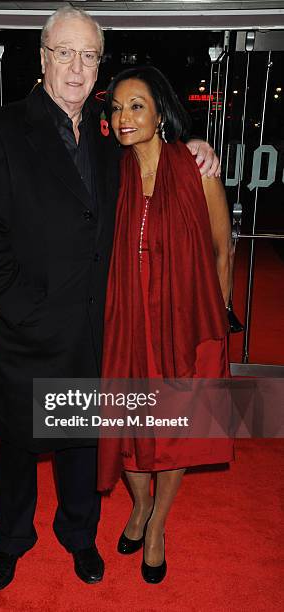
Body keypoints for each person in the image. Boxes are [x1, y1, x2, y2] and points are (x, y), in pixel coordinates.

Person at [0, 6, 220, 590]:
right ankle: (12, 540)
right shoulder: (1, 131)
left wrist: (197, 147)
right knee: (21, 448)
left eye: (89, 55)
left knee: (81, 444)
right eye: (65, 53)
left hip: (93, 331)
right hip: (27, 330)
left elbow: (157, 157)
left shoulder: (109, 140)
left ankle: (79, 535)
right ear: (43, 57)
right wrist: (22, 306)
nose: (77, 68)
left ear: (98, 66)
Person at [97, 66, 234, 584]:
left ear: (160, 112)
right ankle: (139, 503)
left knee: (176, 429)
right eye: (116, 107)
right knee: (128, 424)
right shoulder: (112, 173)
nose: (124, 116)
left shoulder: (197, 169)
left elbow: (223, 250)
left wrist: (214, 326)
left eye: (137, 105)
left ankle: (156, 523)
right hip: (129, 322)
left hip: (187, 325)